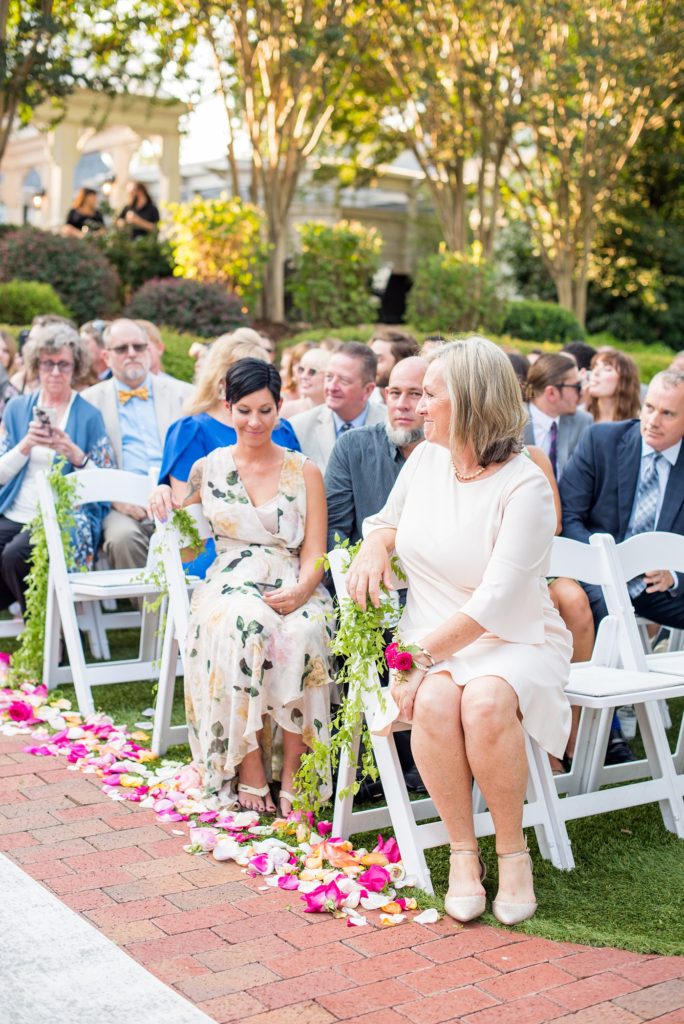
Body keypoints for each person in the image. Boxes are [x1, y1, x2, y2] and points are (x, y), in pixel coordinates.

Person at [346, 337, 571, 926]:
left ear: (470, 402)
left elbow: (499, 601)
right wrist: (373, 545)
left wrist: (414, 656)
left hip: (514, 637)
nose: (418, 407)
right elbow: (385, 520)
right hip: (433, 628)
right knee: (440, 699)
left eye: (430, 395)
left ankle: (512, 851)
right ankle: (462, 854)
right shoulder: (424, 460)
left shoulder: (524, 485)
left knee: (488, 701)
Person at [180, 358, 333, 815]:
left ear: (280, 408)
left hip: (293, 577)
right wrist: (163, 500)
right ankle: (247, 767)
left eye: (265, 410)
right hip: (229, 581)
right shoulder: (207, 469)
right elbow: (186, 544)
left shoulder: (304, 470)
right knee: (246, 627)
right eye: (243, 410)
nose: (254, 421)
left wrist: (304, 591)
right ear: (227, 408)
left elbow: (315, 553)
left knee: (304, 631)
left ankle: (295, 768)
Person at [0, 323, 113, 609]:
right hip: (15, 509)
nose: (54, 373)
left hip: (63, 515)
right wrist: (25, 445)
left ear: (75, 367)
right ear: (36, 365)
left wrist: (74, 453)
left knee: (15, 556)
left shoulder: (88, 415)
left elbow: (106, 483)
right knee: (10, 555)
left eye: (63, 365)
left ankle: (48, 641)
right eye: (47, 364)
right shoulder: (16, 408)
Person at [560, 369, 684, 630]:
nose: (652, 421)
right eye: (649, 407)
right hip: (599, 573)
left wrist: (675, 575)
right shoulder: (601, 440)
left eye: (668, 414)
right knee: (612, 615)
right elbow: (569, 514)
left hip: (658, 586)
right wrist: (606, 564)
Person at [83, 319, 192, 570]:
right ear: (106, 356)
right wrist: (114, 501)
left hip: (177, 498)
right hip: (121, 503)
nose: (131, 354)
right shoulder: (89, 403)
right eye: (121, 349)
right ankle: (157, 611)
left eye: (138, 347)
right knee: (122, 540)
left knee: (199, 535)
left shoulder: (184, 395)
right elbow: (80, 463)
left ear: (149, 350)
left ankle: (190, 606)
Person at [325, 356, 427, 549]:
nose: (402, 404)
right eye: (395, 393)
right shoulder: (352, 446)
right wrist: (350, 575)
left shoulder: (448, 454)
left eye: (415, 394)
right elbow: (334, 528)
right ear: (386, 394)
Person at [290, 342, 386, 472]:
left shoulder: (389, 426)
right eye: (329, 377)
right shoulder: (298, 427)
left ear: (368, 390)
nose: (332, 387)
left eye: (344, 381)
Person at [524, 353, 592, 478]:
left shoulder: (583, 422)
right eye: (577, 386)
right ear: (551, 393)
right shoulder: (511, 423)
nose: (582, 392)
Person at [585, 348, 641, 423]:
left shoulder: (639, 423)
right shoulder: (579, 416)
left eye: (607, 369)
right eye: (595, 366)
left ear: (624, 380)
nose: (595, 372)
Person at [280, 347, 331, 418]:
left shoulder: (339, 412)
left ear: (328, 376)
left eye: (312, 371)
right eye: (301, 369)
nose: (303, 376)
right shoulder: (286, 410)